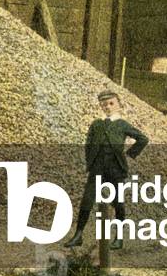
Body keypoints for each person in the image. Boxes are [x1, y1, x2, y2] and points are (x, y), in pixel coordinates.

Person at [63, 90, 149, 250]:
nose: (108, 107)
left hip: (115, 169)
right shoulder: (97, 124)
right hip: (97, 168)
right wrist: (90, 162)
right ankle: (78, 235)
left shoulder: (122, 124)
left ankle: (119, 238)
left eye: (111, 103)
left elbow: (143, 139)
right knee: (87, 200)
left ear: (118, 105)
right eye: (104, 104)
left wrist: (128, 154)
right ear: (101, 106)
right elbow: (88, 144)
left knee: (118, 203)